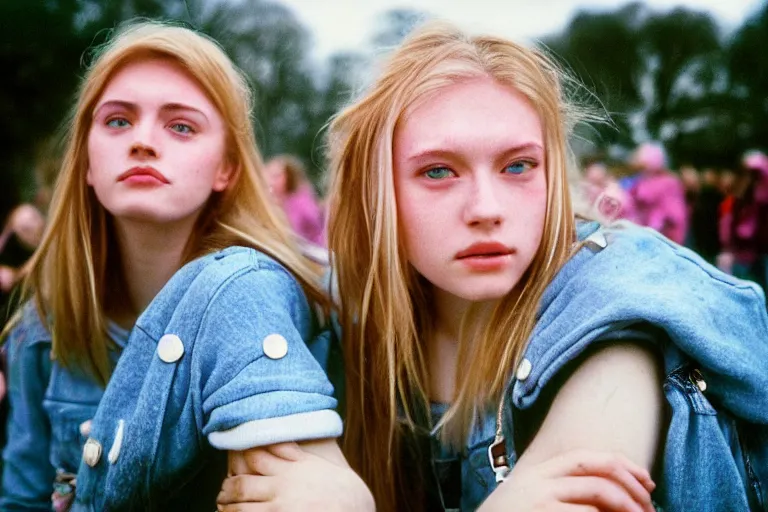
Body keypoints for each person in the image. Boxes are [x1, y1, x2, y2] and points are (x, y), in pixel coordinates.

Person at [219, 21, 768, 512]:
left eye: (518, 166)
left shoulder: (609, 313)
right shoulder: (336, 321)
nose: (486, 209)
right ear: (376, 191)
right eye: (438, 171)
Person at [1, 21, 372, 511]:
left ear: (227, 169)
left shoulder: (317, 301)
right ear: (87, 164)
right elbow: (22, 498)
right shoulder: (42, 330)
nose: (143, 141)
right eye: (117, 121)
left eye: (181, 125)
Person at [627, 142, 687, 244]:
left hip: (663, 236)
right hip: (644, 234)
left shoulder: (669, 182)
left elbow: (674, 214)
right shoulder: (640, 181)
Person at [264, 154, 326, 246]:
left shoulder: (300, 201)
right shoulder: (273, 202)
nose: (271, 181)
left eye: (276, 176)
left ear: (289, 176)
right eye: (269, 175)